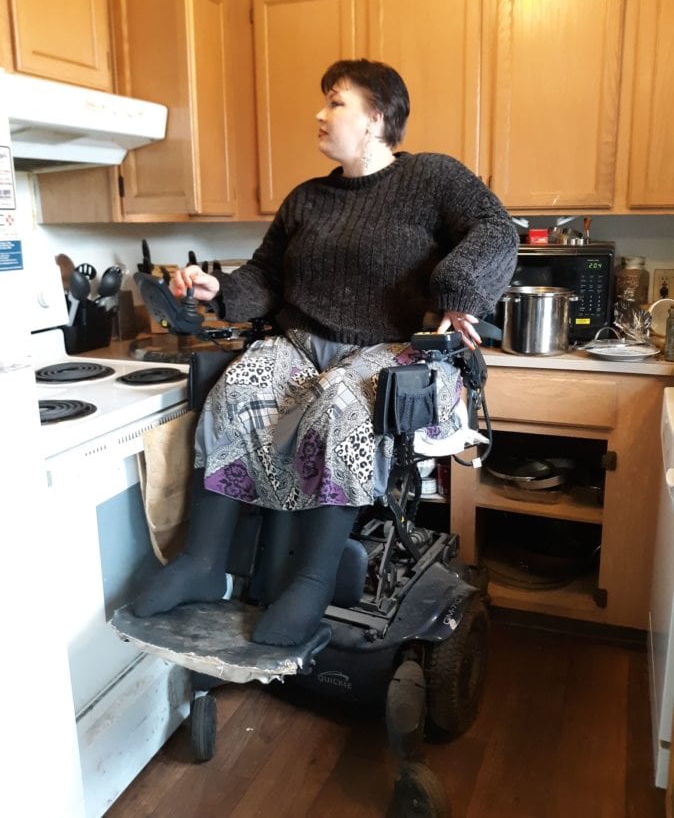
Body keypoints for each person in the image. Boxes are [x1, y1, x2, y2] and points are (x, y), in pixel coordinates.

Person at [132, 59, 519, 646]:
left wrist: (458, 292)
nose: (319, 112)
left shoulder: (433, 178)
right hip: (300, 341)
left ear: (376, 117)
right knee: (235, 392)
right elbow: (265, 277)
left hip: (388, 348)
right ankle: (204, 564)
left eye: (336, 101)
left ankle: (311, 583)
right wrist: (220, 290)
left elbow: (496, 228)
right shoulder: (306, 198)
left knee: (339, 408)